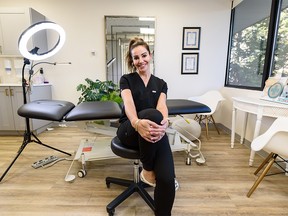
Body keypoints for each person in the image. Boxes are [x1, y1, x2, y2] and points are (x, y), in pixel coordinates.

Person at [116, 37, 177, 216]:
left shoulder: (161, 83)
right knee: (150, 114)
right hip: (130, 129)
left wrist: (164, 122)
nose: (140, 60)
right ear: (132, 61)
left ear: (150, 55)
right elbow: (128, 103)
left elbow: (162, 107)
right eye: (136, 58)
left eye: (144, 55)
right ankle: (148, 169)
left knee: (166, 178)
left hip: (154, 134)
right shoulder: (126, 79)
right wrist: (136, 122)